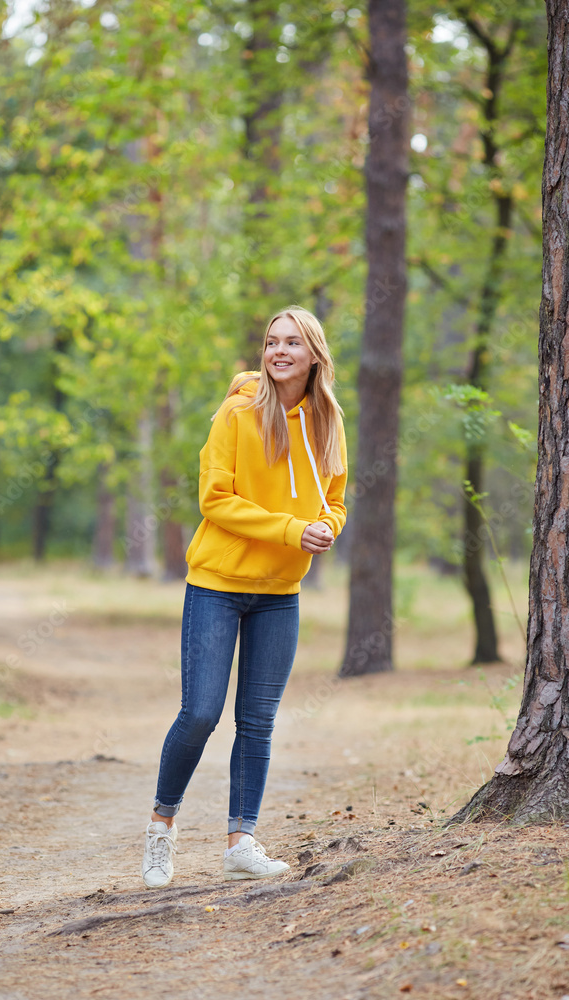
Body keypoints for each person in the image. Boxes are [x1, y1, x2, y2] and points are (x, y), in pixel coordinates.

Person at [142, 305, 348, 888]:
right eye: (271, 341)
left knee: (257, 721)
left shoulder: (329, 421)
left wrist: (327, 526)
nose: (278, 351)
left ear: (314, 355)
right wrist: (290, 529)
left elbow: (334, 497)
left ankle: (241, 842)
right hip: (218, 584)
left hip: (280, 592)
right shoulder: (238, 413)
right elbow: (215, 499)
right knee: (201, 713)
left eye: (292, 342)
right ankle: (161, 827)